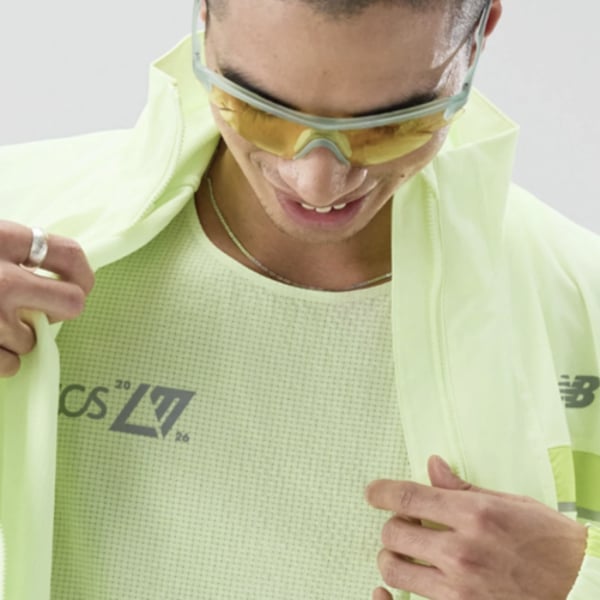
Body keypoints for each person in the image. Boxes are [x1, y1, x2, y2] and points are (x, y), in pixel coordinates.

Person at [0, 0, 599, 598]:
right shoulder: (18, 214)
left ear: (477, 40)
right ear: (203, 15)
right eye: (261, 110)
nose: (316, 181)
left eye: (391, 124)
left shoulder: (583, 305)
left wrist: (580, 579)